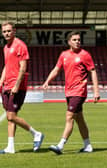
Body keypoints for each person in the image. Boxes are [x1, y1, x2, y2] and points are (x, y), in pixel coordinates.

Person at [43, 31, 100, 154]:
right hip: (69, 92)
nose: (77, 42)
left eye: (79, 40)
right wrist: (47, 81)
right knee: (79, 119)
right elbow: (56, 69)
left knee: (69, 117)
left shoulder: (85, 55)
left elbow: (93, 72)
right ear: (69, 42)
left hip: (79, 91)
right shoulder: (63, 55)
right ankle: (88, 146)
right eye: (74, 40)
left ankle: (60, 145)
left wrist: (96, 91)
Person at [0, 21, 44, 154]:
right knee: (10, 116)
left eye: (9, 31)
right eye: (4, 31)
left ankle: (36, 134)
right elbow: (7, 66)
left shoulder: (20, 45)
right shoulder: (6, 47)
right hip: (6, 86)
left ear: (14, 31)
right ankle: (11, 146)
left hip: (17, 86)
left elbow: (23, 67)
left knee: (11, 116)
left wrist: (16, 85)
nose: (7, 33)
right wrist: (1, 81)